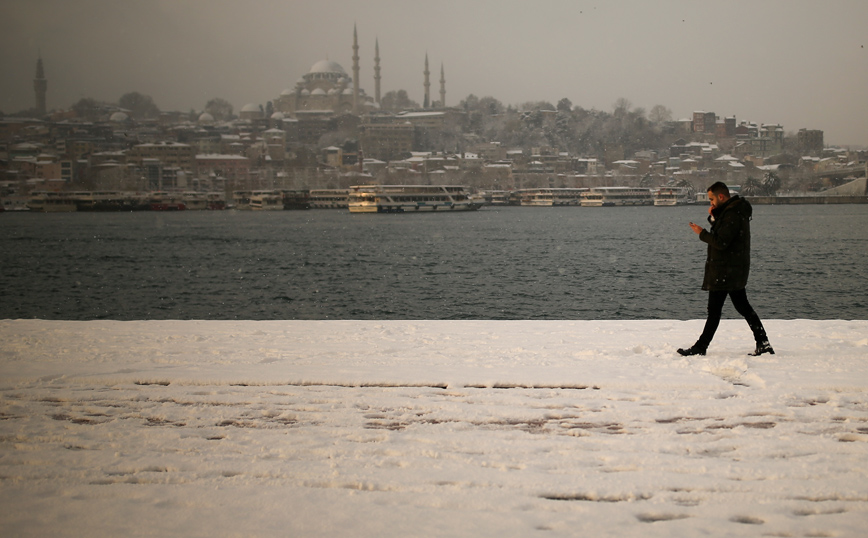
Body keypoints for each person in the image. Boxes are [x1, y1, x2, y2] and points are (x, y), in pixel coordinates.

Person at [678, 181, 774, 356]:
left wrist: (701, 233)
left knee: (715, 311)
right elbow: (722, 233)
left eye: (712, 199)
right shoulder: (733, 211)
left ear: (721, 196)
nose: (711, 203)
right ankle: (763, 342)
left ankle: (701, 347)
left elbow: (720, 242)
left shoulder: (733, 214)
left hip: (725, 270)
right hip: (732, 269)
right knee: (741, 307)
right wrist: (714, 216)